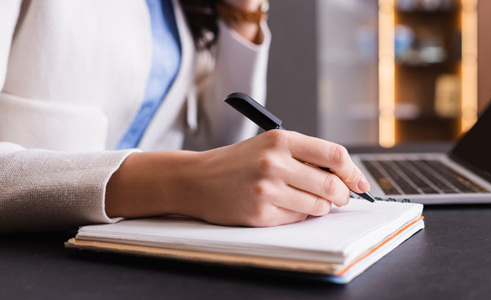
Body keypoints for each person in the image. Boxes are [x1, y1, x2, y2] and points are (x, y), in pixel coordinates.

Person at [0, 0, 372, 232]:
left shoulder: (180, 10)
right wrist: (182, 183)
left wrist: (242, 10)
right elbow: (210, 173)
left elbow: (228, 147)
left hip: (140, 260)